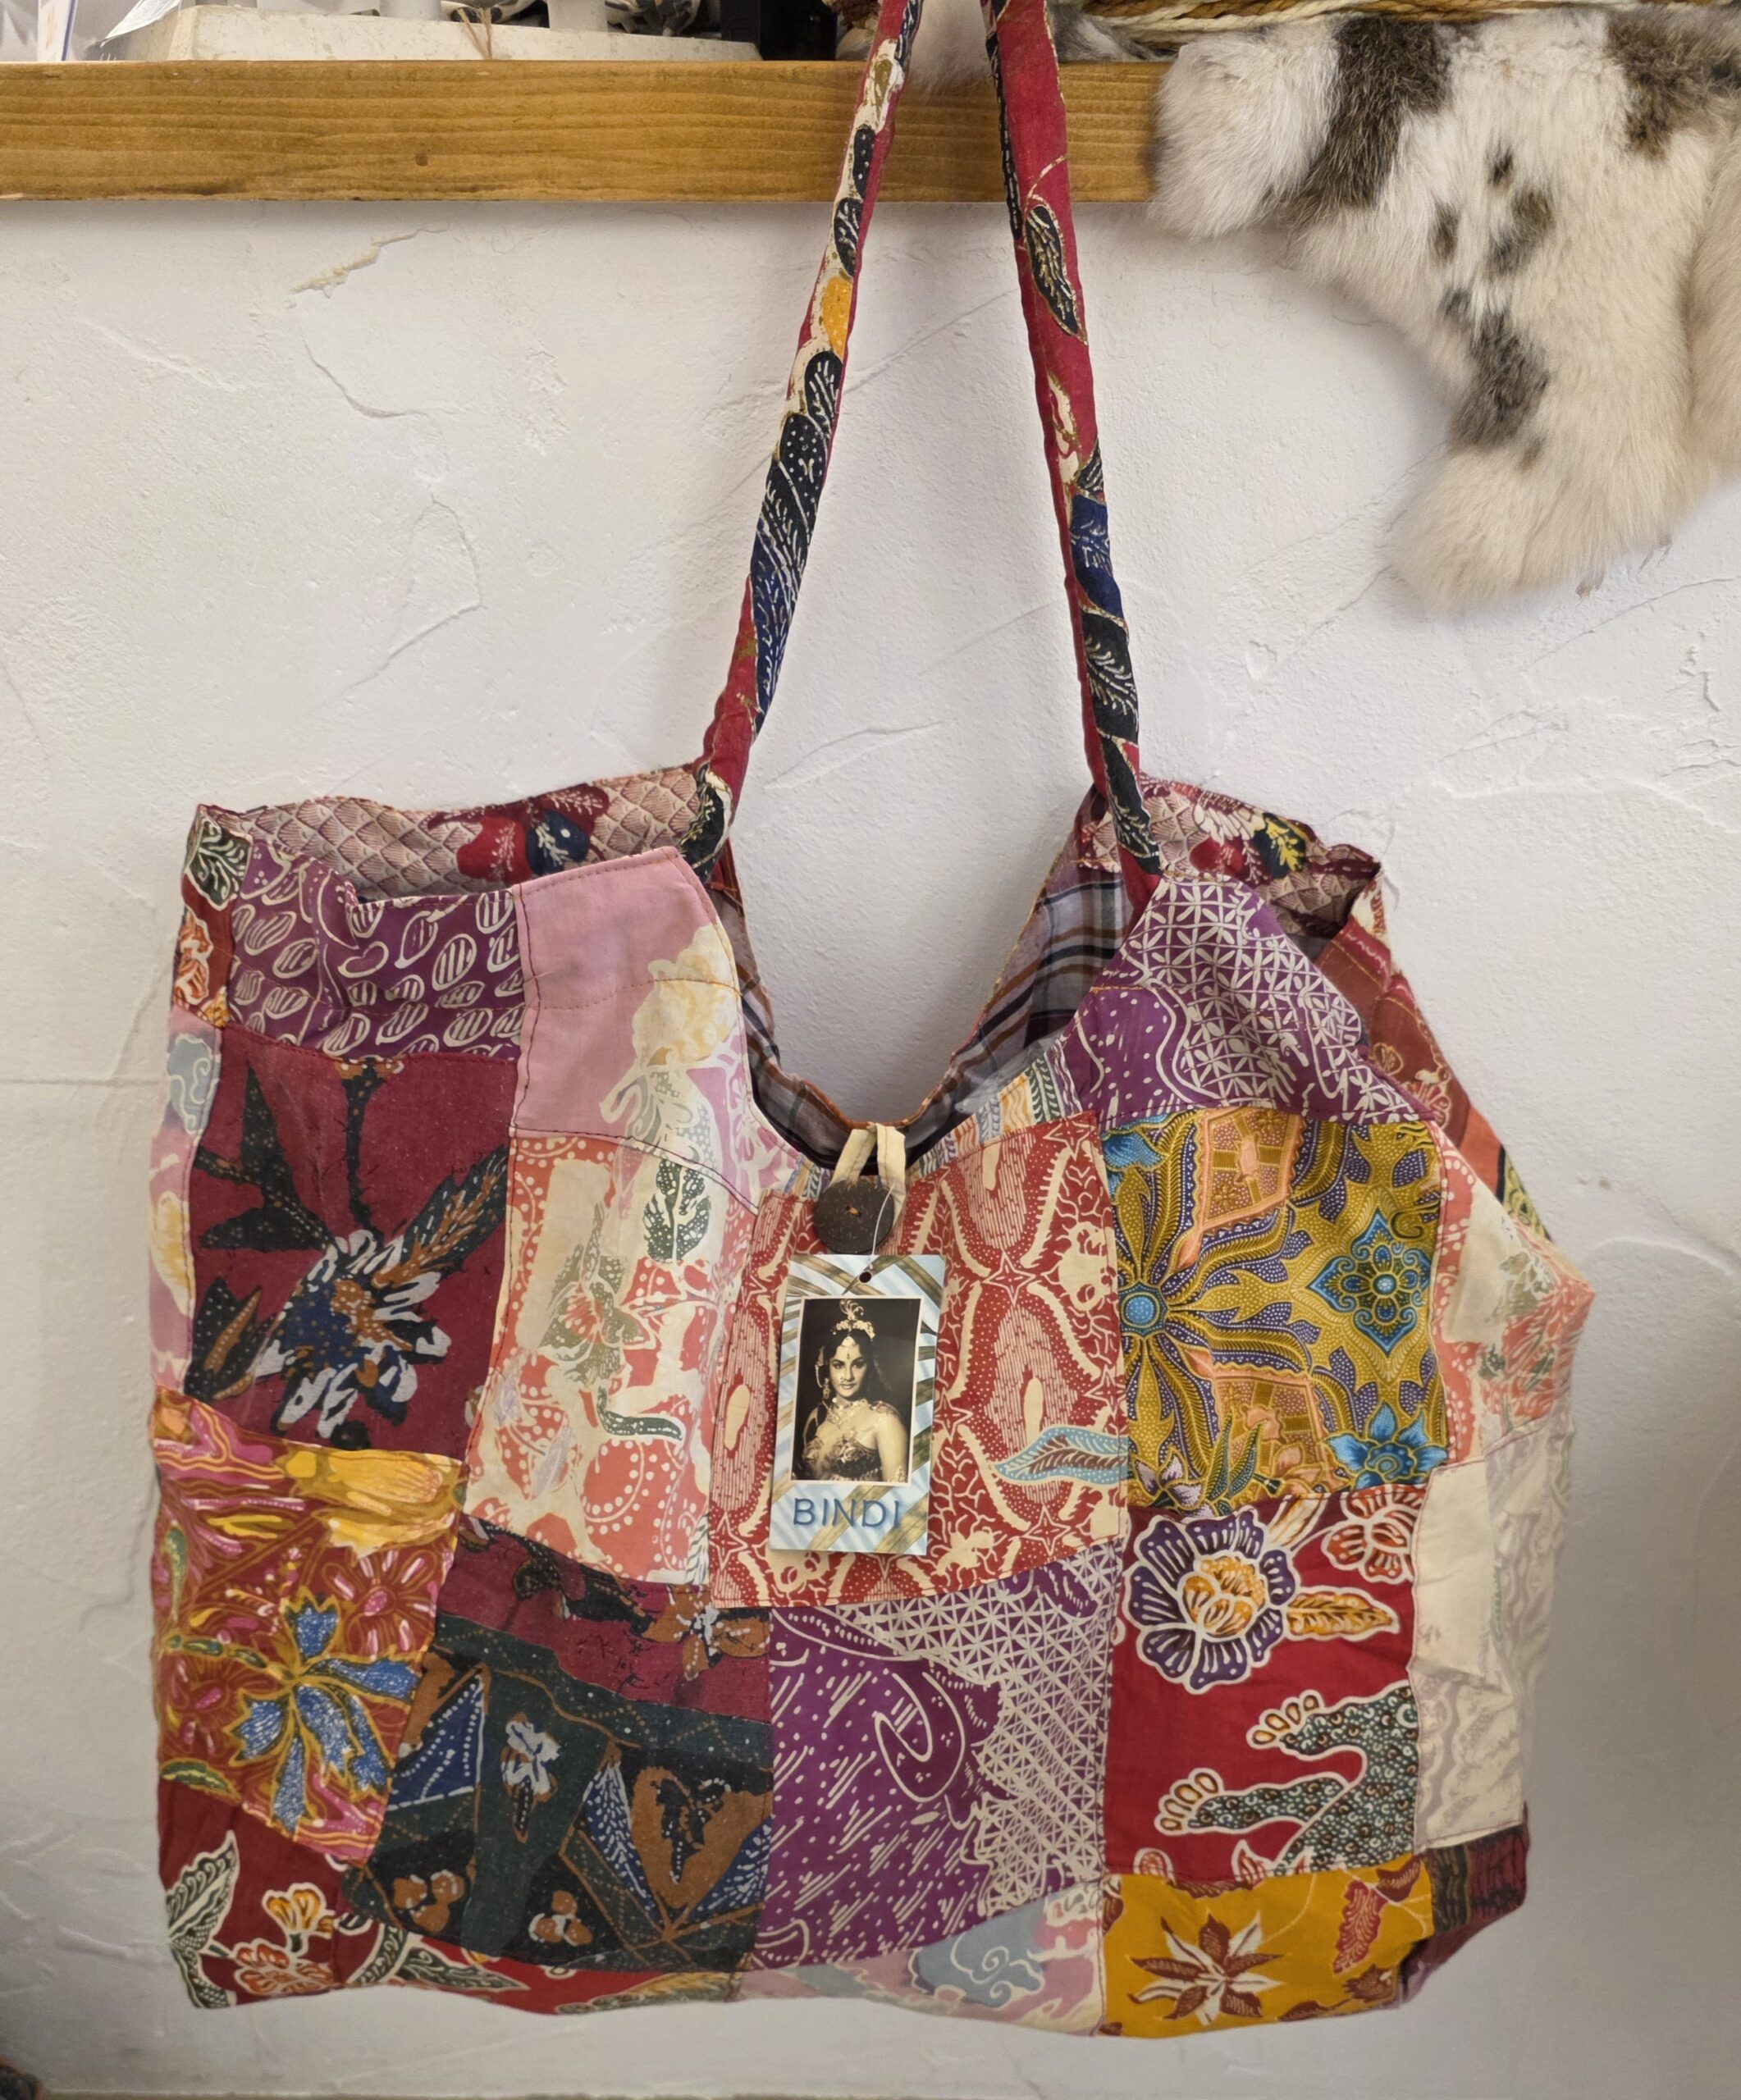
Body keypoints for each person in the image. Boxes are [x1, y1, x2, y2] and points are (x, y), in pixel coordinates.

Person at [795, 1298, 908, 1484]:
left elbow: (897, 1491)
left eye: (858, 1364)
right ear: (827, 1367)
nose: (847, 1376)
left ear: (870, 1367)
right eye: (839, 1365)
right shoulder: (817, 1416)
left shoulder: (885, 1420)